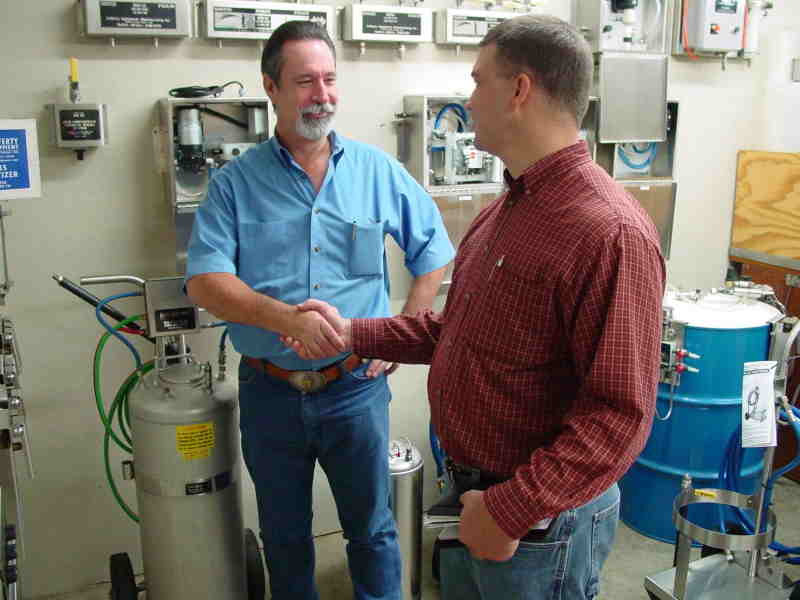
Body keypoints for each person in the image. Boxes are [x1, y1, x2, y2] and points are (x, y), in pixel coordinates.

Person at [283, 14, 666, 600]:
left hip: (540, 526)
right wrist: (354, 333)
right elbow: (451, 331)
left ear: (519, 91)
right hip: (475, 499)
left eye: (477, 80)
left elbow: (619, 415)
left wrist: (512, 508)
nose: (468, 98)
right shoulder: (506, 208)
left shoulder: (609, 233)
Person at [184, 20, 455, 600]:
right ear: (271, 87)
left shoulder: (376, 172)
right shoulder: (234, 183)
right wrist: (287, 321)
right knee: (284, 536)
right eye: (305, 81)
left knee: (373, 532)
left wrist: (400, 334)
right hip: (270, 392)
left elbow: (432, 251)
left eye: (330, 79)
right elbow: (206, 282)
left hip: (355, 390)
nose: (323, 95)